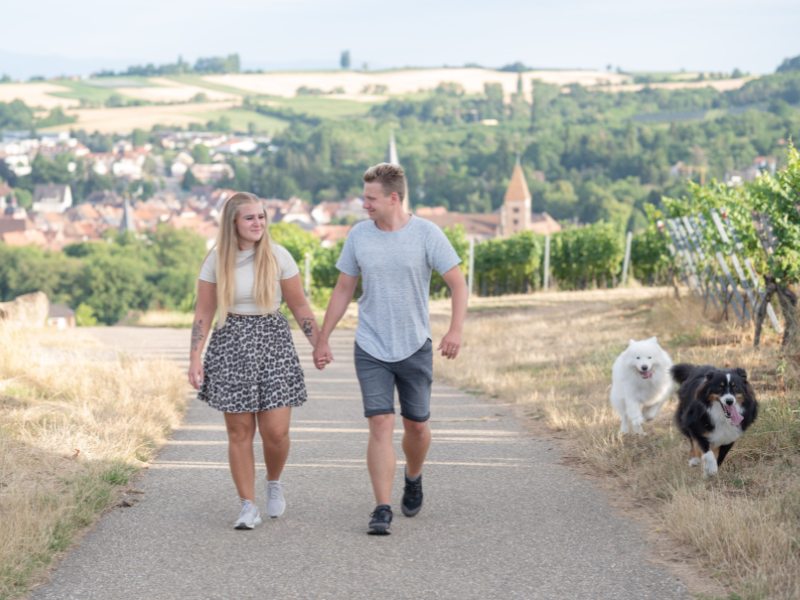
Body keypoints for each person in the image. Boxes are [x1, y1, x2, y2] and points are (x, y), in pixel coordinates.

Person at [313, 163, 467, 535]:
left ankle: (413, 477)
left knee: (416, 426)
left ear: (393, 198)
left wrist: (455, 330)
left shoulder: (428, 234)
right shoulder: (358, 236)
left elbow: (458, 285)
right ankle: (382, 507)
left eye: (370, 198)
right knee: (380, 423)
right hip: (371, 344)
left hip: (415, 345)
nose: (363, 204)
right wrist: (323, 337)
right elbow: (344, 289)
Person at [188, 192, 320, 530]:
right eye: (250, 218)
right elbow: (204, 310)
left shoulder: (278, 256)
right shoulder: (216, 260)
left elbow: (300, 306)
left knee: (275, 433)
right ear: (233, 222)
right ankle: (247, 505)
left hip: (273, 341)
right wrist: (195, 357)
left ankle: (274, 482)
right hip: (231, 342)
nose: (258, 223)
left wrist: (318, 343)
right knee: (239, 430)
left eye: (261, 216)